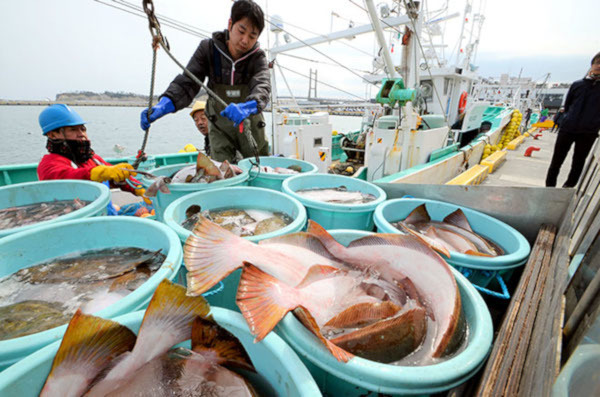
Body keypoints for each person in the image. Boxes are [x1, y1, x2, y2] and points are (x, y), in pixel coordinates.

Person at [140, 0, 270, 163]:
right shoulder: (208, 49)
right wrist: (164, 104)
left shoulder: (257, 57)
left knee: (261, 165)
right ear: (230, 24)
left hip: (249, 122)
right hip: (219, 126)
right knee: (221, 171)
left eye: (252, 36)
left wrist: (249, 106)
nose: (245, 40)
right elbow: (188, 82)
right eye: (241, 31)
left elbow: (262, 85)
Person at [37, 104, 150, 204]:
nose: (81, 134)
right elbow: (66, 178)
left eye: (83, 129)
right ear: (52, 135)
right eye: (73, 130)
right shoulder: (48, 164)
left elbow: (117, 176)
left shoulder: (93, 159)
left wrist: (138, 188)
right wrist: (96, 173)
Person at [546, 52, 600, 188]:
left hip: (588, 133)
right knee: (556, 161)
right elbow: (568, 104)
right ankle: (549, 188)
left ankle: (567, 188)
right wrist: (567, 119)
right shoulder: (577, 85)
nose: (599, 66)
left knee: (578, 163)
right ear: (592, 65)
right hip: (567, 129)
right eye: (597, 63)